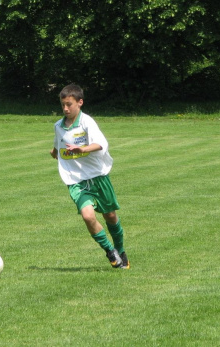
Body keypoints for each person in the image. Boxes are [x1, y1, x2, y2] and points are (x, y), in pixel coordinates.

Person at [50, 84, 129, 269]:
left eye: (69, 104)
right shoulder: (58, 126)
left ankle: (121, 249)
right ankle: (110, 252)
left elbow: (101, 143)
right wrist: (54, 152)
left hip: (98, 176)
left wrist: (83, 149)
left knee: (110, 215)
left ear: (80, 102)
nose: (65, 109)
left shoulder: (87, 122)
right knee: (87, 216)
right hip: (75, 180)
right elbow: (58, 145)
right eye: (63, 105)